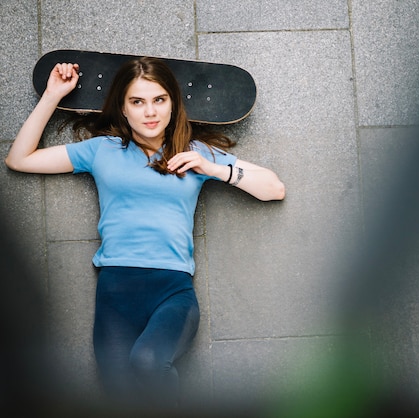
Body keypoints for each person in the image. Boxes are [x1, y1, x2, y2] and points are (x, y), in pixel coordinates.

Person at [5, 58, 285, 409]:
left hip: (172, 295)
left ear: (173, 104)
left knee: (149, 362)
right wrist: (51, 96)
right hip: (114, 299)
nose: (149, 112)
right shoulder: (101, 150)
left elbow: (274, 188)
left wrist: (214, 169)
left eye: (159, 100)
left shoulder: (194, 154)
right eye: (137, 102)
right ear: (123, 109)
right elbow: (19, 159)